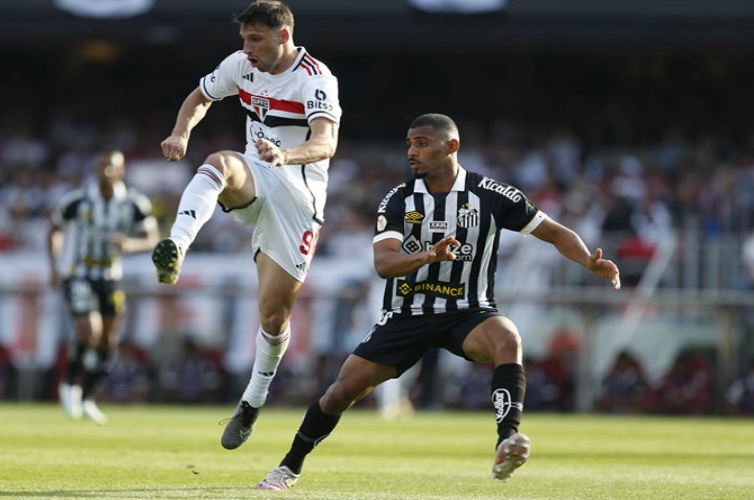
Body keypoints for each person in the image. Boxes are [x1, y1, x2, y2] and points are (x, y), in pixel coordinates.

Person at [255, 113, 621, 490]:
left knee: (507, 339)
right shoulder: (398, 200)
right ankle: (288, 467)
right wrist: (429, 256)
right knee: (340, 393)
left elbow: (555, 232)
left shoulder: (491, 195)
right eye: (409, 144)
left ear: (452, 146)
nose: (412, 152)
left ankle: (506, 441)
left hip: (469, 310)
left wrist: (588, 262)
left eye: (422, 143)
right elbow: (384, 264)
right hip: (407, 313)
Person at [152, 0, 341, 449]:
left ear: (283, 36)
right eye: (244, 39)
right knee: (218, 163)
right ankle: (176, 246)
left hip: (298, 198)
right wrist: (181, 132)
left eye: (255, 39)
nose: (247, 48)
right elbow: (199, 97)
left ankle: (252, 400)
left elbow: (325, 141)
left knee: (273, 316)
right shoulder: (240, 65)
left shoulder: (315, 78)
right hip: (255, 176)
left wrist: (287, 154)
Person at [49, 150, 159, 424]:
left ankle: (88, 397)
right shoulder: (77, 200)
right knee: (89, 331)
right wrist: (54, 265)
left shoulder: (135, 203)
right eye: (100, 167)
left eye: (110, 168)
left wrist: (132, 244)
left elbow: (153, 237)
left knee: (109, 340)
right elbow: (54, 228)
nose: (104, 173)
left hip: (111, 276)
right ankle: (69, 384)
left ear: (121, 171)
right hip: (79, 273)